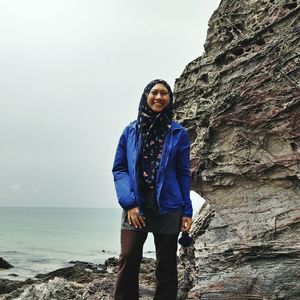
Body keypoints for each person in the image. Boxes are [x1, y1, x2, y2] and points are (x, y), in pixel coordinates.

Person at [112, 79, 193, 300]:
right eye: (154, 92)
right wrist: (129, 204)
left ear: (170, 99)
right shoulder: (130, 131)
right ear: (146, 96)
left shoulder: (178, 133)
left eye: (164, 93)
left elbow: (183, 173)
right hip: (136, 205)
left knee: (166, 264)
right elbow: (120, 169)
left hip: (169, 206)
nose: (159, 97)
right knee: (128, 257)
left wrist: (187, 210)